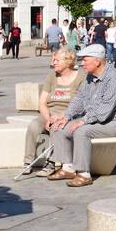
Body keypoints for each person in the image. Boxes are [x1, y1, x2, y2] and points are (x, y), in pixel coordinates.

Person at [45, 44, 116, 188]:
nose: (82, 63)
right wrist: (67, 116)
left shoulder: (114, 78)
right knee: (59, 127)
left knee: (81, 131)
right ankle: (67, 167)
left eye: (85, 60)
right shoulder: (90, 77)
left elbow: (104, 111)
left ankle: (84, 174)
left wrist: (83, 121)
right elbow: (79, 98)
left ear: (97, 61)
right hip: (96, 119)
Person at [25, 47, 86, 175]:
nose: (53, 63)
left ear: (68, 61)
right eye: (53, 60)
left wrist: (61, 116)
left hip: (70, 114)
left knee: (56, 127)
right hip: (50, 113)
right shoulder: (52, 76)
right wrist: (48, 118)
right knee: (33, 126)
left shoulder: (81, 77)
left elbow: (82, 103)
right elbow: (42, 102)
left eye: (57, 60)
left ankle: (51, 163)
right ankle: (28, 162)